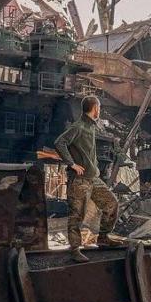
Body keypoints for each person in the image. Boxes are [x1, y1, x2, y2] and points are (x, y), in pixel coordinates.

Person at [54, 95, 118, 263]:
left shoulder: (91, 126)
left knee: (111, 203)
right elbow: (60, 142)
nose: (100, 110)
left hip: (93, 179)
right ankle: (74, 249)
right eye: (99, 107)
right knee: (77, 215)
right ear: (95, 107)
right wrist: (72, 164)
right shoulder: (80, 126)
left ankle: (103, 238)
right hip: (80, 180)